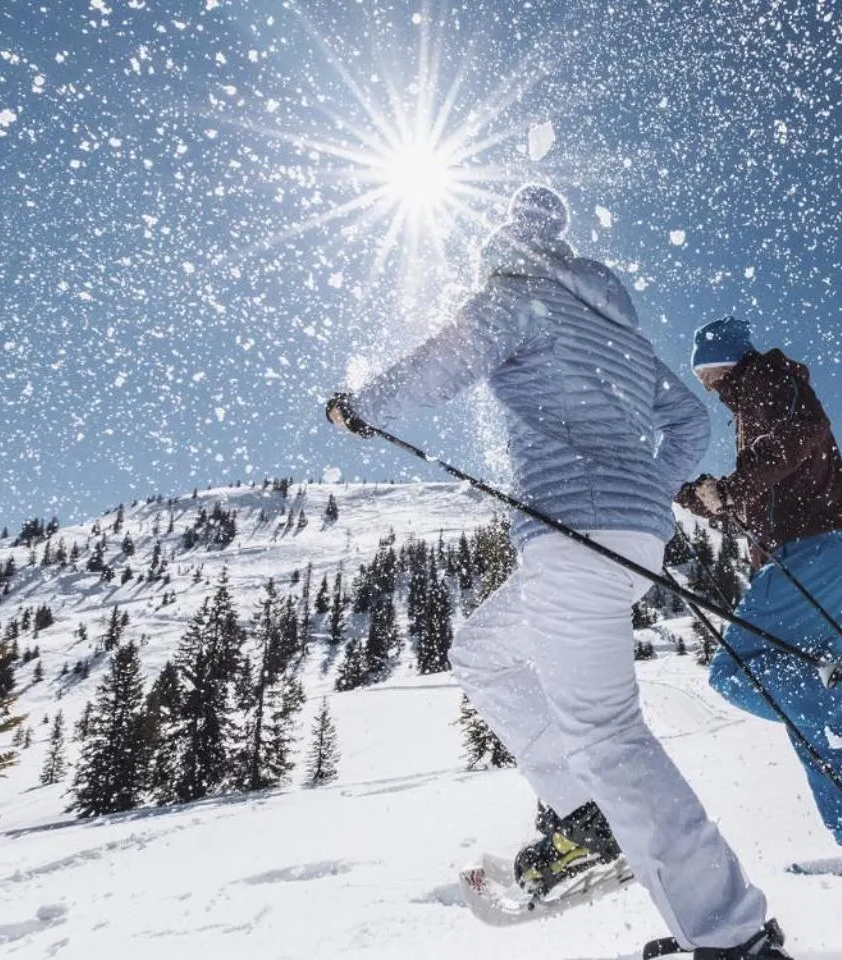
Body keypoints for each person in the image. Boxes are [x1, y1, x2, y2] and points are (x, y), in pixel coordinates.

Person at [325, 187, 788, 958]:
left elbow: (443, 364)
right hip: (625, 541)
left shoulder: (517, 295)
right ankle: (586, 812)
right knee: (482, 652)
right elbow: (689, 419)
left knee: (608, 735)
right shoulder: (617, 327)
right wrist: (647, 487)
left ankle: (731, 934)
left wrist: (361, 406)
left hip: (575, 537)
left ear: (508, 242)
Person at [674, 316, 842, 873]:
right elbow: (764, 479)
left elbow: (798, 438)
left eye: (706, 374)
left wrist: (732, 489)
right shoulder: (758, 397)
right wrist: (702, 495)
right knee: (803, 698)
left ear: (724, 362)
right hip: (827, 555)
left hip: (813, 553)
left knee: (735, 674)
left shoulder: (766, 381)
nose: (707, 387)